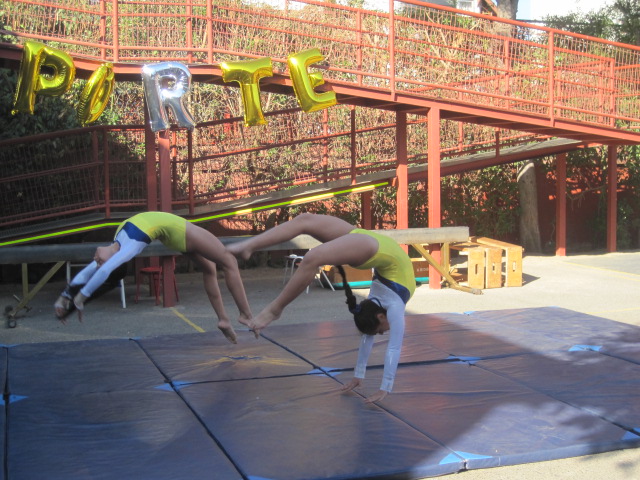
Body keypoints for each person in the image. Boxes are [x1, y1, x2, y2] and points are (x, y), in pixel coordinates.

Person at [228, 213, 416, 403]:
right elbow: (394, 347)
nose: (383, 333)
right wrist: (385, 387)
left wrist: (358, 375)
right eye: (380, 332)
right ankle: (273, 307)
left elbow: (367, 338)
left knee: (308, 234)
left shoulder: (377, 303)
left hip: (370, 240)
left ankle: (248, 247)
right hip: (370, 245)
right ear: (381, 317)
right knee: (307, 229)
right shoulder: (395, 307)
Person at [54, 212, 253, 343]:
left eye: (98, 261)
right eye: (101, 262)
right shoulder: (129, 248)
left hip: (175, 235)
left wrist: (65, 297)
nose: (96, 260)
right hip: (182, 232)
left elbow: (90, 271)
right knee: (229, 262)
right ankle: (246, 314)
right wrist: (81, 298)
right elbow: (104, 271)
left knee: (209, 269)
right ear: (114, 263)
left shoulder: (117, 241)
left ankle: (223, 320)